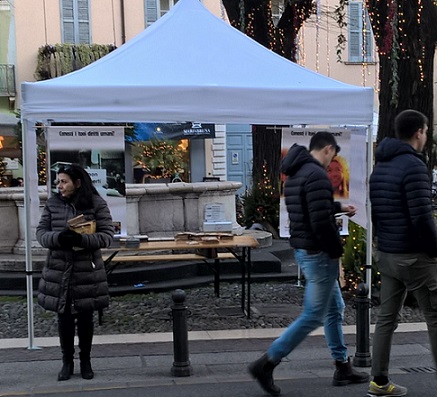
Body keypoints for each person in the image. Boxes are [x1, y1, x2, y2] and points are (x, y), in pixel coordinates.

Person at [248, 131, 368, 396]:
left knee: (334, 308)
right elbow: (320, 221)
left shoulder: (295, 174)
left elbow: (309, 209)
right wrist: (336, 252)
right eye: (333, 155)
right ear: (327, 149)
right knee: (313, 315)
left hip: (305, 250)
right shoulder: (316, 175)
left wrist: (337, 207)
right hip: (319, 254)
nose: (332, 162)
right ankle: (267, 362)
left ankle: (342, 366)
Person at [368, 109, 437, 397]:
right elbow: (423, 217)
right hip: (414, 256)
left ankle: (379, 381)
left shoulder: (380, 166)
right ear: (419, 132)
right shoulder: (414, 167)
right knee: (434, 316)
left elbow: (379, 211)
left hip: (388, 253)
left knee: (387, 317)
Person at [36, 163, 114, 381]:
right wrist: (58, 238)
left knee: (86, 318)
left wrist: (82, 239)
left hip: (86, 270)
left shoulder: (96, 203)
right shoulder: (53, 204)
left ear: (77, 183)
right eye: (58, 181)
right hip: (59, 269)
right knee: (64, 318)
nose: (59, 186)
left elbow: (107, 236)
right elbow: (41, 233)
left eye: (64, 181)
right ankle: (67, 362)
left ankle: (86, 361)